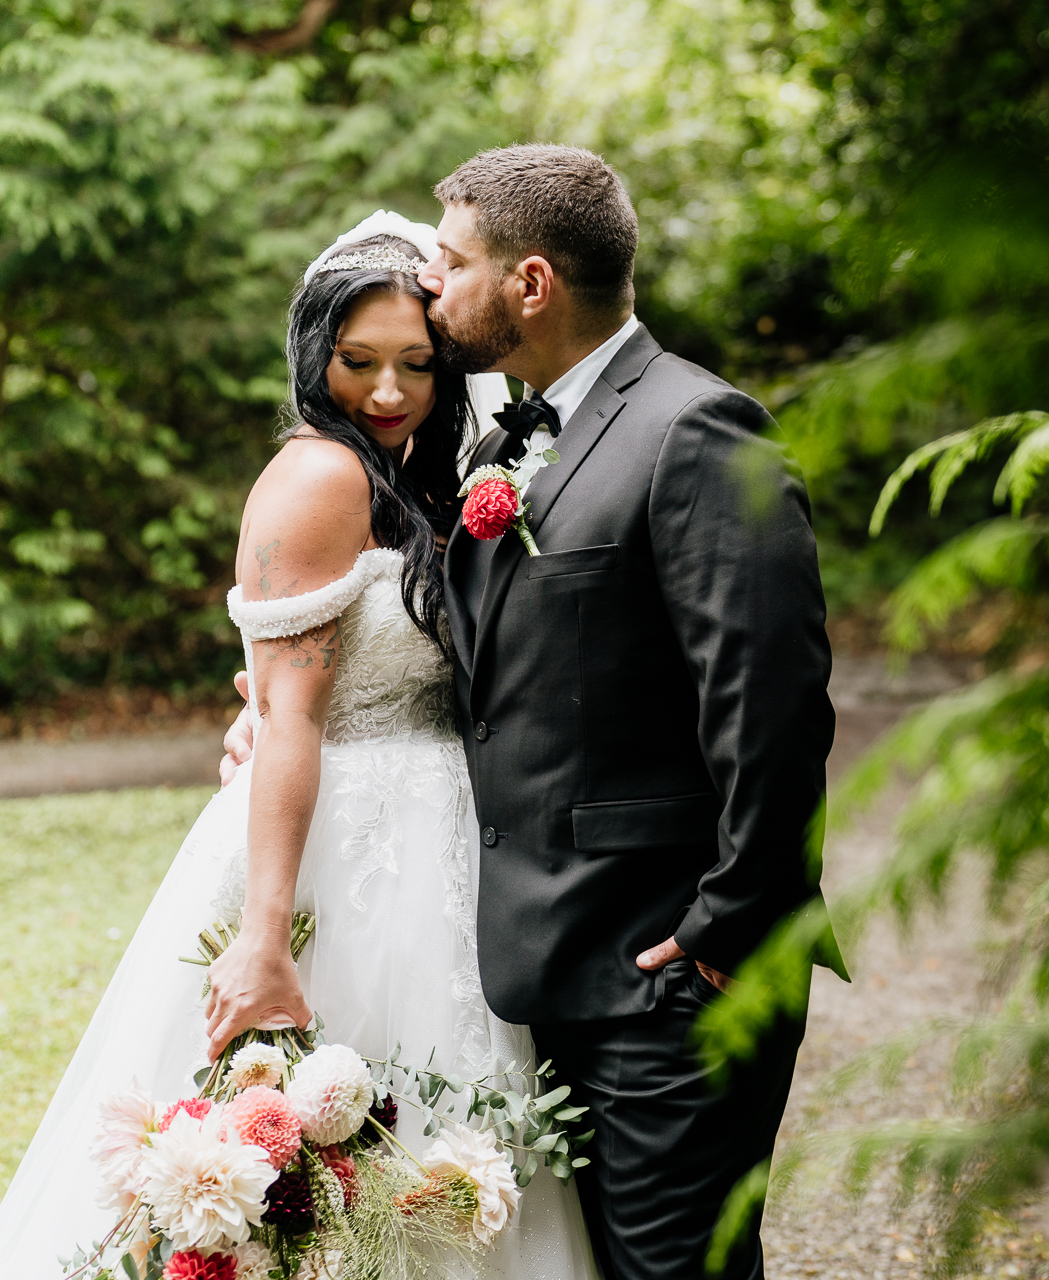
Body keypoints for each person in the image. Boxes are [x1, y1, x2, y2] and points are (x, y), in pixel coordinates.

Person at [222, 143, 843, 1280]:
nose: (432, 279)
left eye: (451, 262)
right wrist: (274, 706)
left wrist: (729, 924)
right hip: (541, 962)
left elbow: (776, 704)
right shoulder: (508, 437)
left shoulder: (693, 428)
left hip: (667, 970)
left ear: (532, 284)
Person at [0, 212, 598, 1278]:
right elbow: (294, 717)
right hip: (331, 850)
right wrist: (263, 936)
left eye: (417, 365)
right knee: (298, 1153)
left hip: (442, 849)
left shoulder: (424, 475)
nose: (388, 392)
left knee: (439, 1152)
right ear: (315, 353)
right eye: (358, 363)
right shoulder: (320, 478)